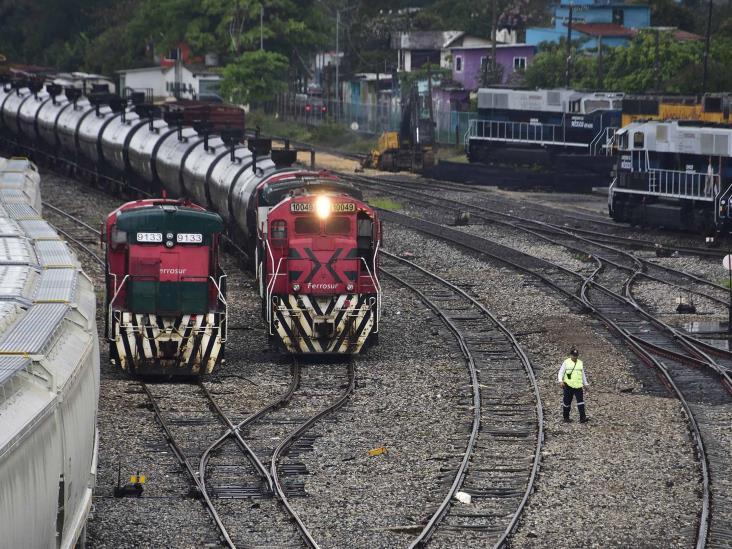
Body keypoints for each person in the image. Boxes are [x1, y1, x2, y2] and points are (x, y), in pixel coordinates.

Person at [558, 347, 589, 423]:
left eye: (576, 356)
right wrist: (560, 381)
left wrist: (585, 384)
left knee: (580, 402)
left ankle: (582, 417)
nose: (575, 357)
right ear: (570, 355)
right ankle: (566, 417)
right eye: (573, 355)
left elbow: (582, 374)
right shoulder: (566, 362)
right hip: (568, 385)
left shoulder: (580, 362)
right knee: (567, 403)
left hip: (578, 386)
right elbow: (561, 372)